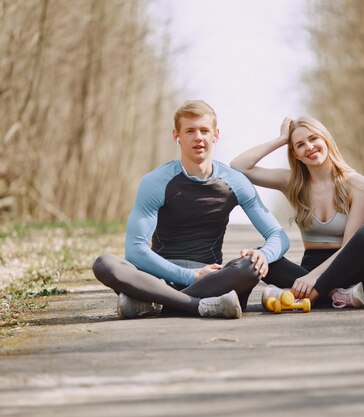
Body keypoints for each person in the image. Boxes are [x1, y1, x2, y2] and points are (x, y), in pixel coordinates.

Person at [92, 100, 289, 319]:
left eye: (204, 130)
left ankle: (152, 302)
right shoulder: (156, 181)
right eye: (190, 131)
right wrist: (190, 276)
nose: (198, 137)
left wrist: (263, 254)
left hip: (212, 281)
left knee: (252, 267)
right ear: (176, 136)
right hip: (157, 278)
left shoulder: (235, 181)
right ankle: (198, 305)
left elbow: (278, 235)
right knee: (105, 264)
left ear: (215, 135)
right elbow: (135, 249)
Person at [230, 117, 364, 308]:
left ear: (326, 140)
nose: (309, 147)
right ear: (296, 155)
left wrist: (313, 278)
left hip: (353, 276)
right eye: (300, 145)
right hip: (308, 271)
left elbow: (350, 247)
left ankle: (309, 295)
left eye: (313, 139)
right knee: (261, 257)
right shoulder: (293, 183)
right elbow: (239, 166)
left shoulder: (357, 184)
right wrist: (280, 139)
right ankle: (335, 296)